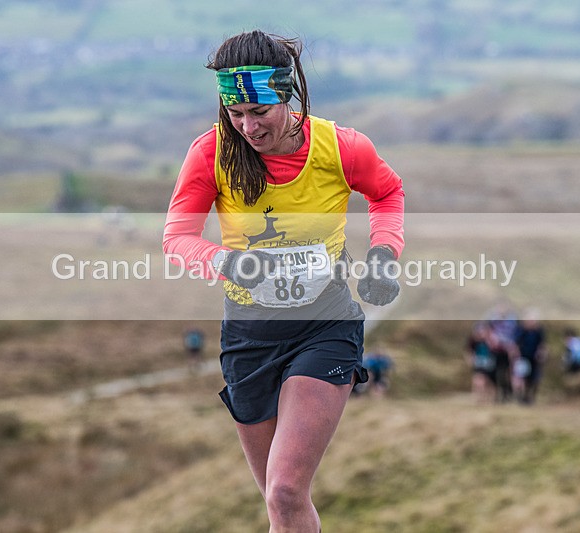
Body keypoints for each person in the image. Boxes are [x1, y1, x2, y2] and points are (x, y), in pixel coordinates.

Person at [162, 30, 404, 532]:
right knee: (281, 507)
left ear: (287, 95)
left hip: (325, 324)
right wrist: (233, 264)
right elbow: (177, 239)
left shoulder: (342, 147)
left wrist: (384, 254)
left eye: (260, 111)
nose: (247, 127)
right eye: (236, 113)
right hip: (249, 336)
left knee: (287, 488)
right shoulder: (211, 154)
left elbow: (387, 193)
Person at [512, 313, 547, 404]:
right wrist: (516, 356)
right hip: (523, 358)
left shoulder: (539, 331)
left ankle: (529, 397)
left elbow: (542, 344)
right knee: (521, 379)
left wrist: (542, 354)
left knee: (534, 379)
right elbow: (516, 344)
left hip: (534, 359)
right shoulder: (521, 330)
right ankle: (521, 397)